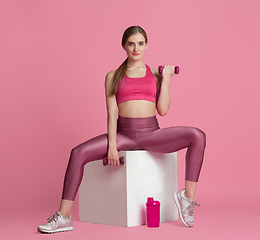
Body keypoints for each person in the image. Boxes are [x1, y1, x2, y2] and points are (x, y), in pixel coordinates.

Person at [37, 25, 206, 233]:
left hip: (152, 134)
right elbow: (111, 114)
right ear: (124, 46)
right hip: (123, 134)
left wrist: (167, 79)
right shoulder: (112, 76)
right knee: (77, 153)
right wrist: (113, 146)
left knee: (198, 136)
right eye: (131, 44)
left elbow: (163, 110)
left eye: (141, 44)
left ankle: (186, 198)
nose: (136, 48)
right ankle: (63, 216)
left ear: (147, 45)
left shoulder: (156, 74)